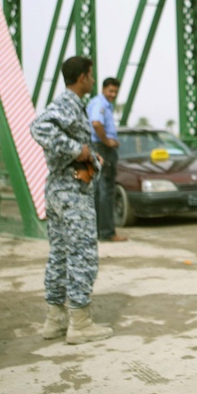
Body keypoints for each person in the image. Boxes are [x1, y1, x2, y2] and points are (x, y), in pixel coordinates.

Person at [30, 56, 113, 345]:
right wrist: (79, 150)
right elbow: (39, 127)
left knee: (60, 254)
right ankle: (80, 322)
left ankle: (55, 319)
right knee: (82, 254)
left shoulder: (72, 104)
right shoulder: (67, 102)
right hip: (71, 191)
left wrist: (88, 155)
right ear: (82, 78)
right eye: (90, 75)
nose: (92, 80)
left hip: (60, 186)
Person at [87, 77, 126, 242]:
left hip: (97, 147)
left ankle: (97, 230)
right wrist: (107, 141)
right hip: (102, 148)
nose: (113, 94)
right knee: (106, 190)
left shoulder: (99, 103)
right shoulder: (100, 104)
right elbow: (96, 123)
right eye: (110, 91)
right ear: (103, 89)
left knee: (97, 190)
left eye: (115, 92)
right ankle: (107, 232)